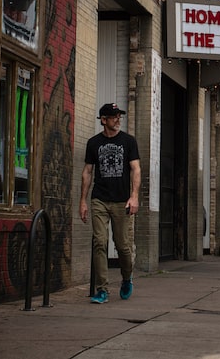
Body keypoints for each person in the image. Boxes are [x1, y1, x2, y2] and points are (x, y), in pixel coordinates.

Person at [80, 103, 141, 304]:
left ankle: (126, 278)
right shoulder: (93, 143)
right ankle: (102, 290)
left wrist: (134, 196)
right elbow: (87, 172)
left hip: (121, 201)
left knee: (123, 246)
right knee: (99, 242)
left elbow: (136, 169)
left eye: (119, 116)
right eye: (114, 116)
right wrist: (83, 201)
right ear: (103, 120)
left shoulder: (128, 141)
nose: (118, 119)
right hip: (99, 199)